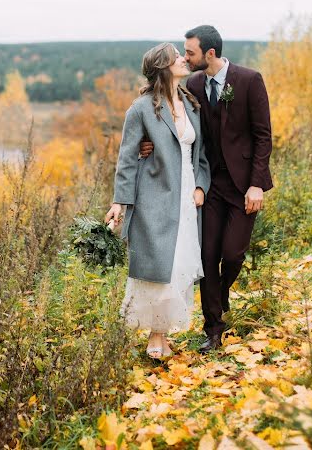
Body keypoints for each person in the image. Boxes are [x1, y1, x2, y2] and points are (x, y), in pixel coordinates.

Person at [139, 25, 273, 352]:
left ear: (209, 54)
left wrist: (256, 184)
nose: (185, 58)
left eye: (190, 53)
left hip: (244, 187)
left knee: (233, 253)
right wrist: (149, 143)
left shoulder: (249, 80)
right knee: (207, 256)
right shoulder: (194, 85)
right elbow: (171, 120)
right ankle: (213, 329)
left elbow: (263, 136)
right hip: (209, 186)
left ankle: (222, 293)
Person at [105, 42, 211, 359]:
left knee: (178, 264)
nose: (183, 58)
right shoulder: (140, 109)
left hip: (188, 197)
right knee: (158, 266)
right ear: (163, 67)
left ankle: (162, 334)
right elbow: (126, 160)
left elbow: (201, 154)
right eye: (176, 56)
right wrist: (119, 202)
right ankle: (155, 334)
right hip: (154, 197)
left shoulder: (190, 103)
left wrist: (201, 187)